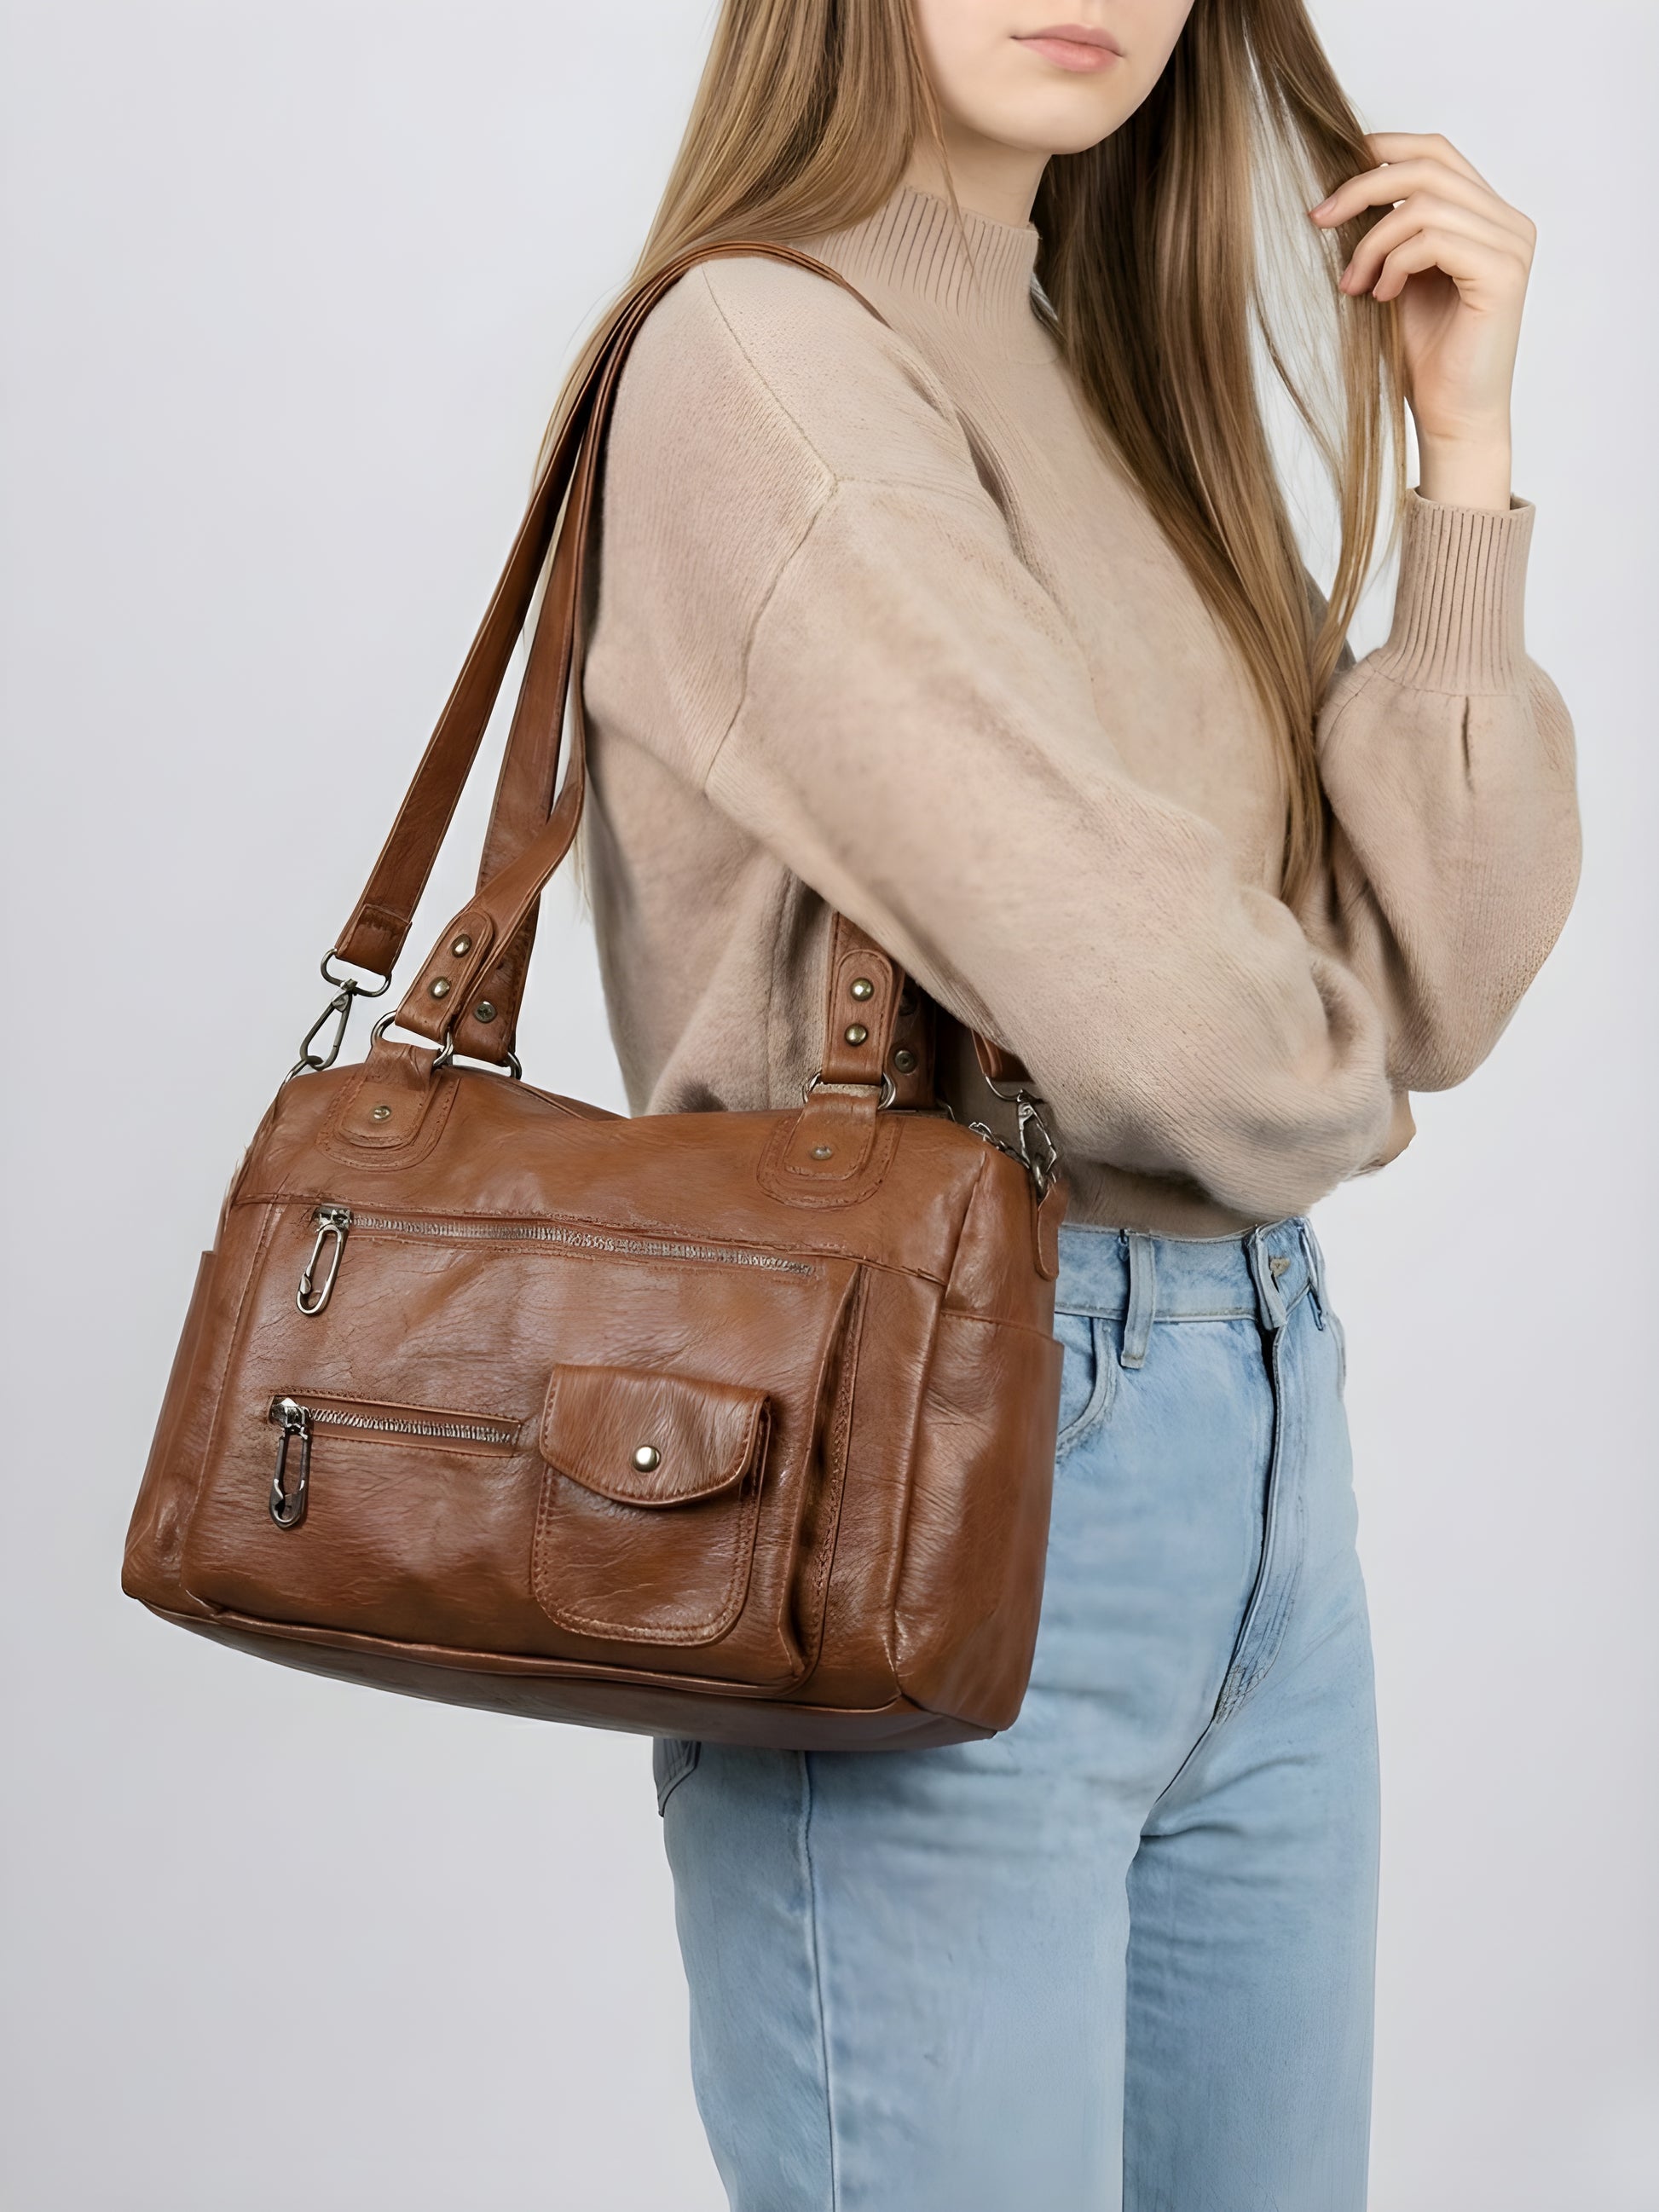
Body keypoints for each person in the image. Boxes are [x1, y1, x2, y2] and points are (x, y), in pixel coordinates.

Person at [563, 3, 1581, 2205]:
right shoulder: (763, 361)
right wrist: (1313, 1057)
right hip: (933, 1455)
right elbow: (1178, 1019)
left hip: (1257, 1477)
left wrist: (1462, 462)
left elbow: (1440, 968)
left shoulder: (1109, 381)